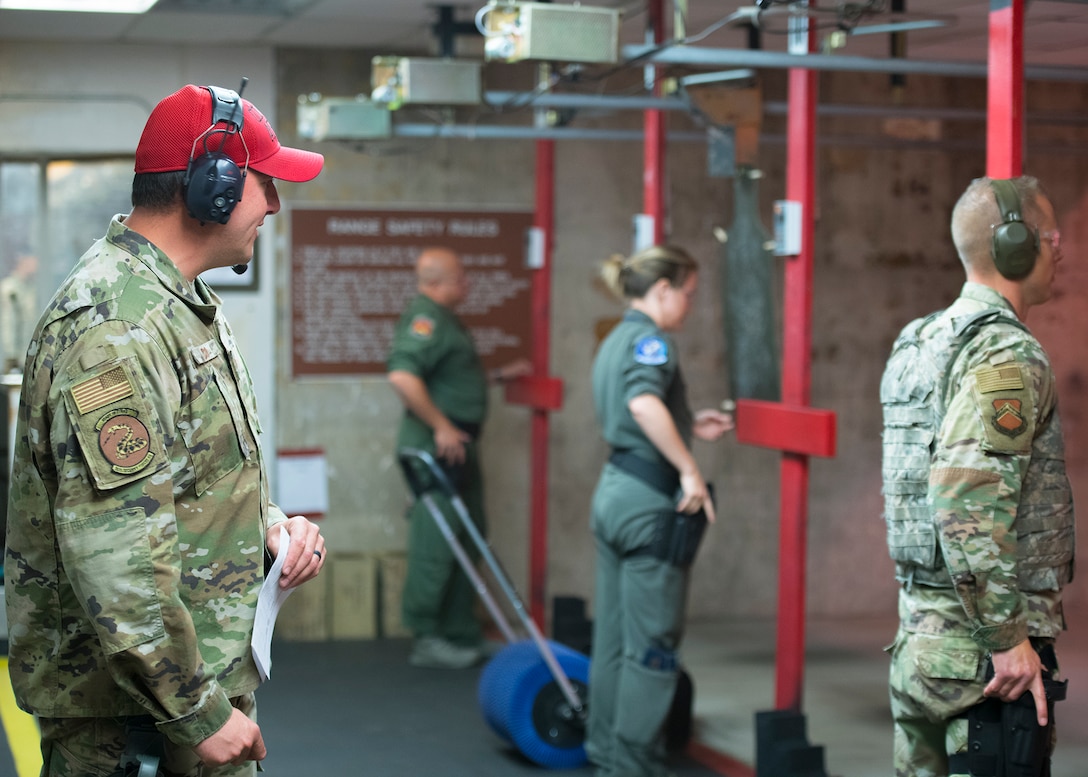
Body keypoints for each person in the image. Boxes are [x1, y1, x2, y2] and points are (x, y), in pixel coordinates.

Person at [4, 83, 328, 777]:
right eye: (261, 184)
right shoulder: (115, 326)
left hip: (183, 695)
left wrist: (265, 526)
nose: (273, 203)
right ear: (212, 187)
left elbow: (181, 481)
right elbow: (114, 551)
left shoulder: (177, 305)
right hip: (132, 721)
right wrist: (196, 712)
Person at [880, 176, 1075, 777]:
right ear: (1016, 246)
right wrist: (1005, 638)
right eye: (1048, 235)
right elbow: (963, 496)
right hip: (979, 662)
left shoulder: (919, 341)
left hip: (920, 643)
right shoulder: (1004, 354)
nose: (1059, 246)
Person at [586, 244, 733, 777]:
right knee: (653, 644)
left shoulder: (615, 339)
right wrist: (689, 469)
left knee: (614, 640)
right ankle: (634, 765)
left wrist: (690, 422)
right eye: (688, 294)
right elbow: (642, 404)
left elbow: (642, 411)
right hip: (648, 503)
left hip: (616, 490)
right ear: (663, 289)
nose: (689, 306)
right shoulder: (652, 340)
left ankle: (606, 754)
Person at [387, 246, 530, 669]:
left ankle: (460, 632)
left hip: (458, 448)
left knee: (468, 538)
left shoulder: (446, 320)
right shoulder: (425, 319)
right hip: (438, 447)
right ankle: (428, 637)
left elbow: (451, 377)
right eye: (459, 278)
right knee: (439, 540)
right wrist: (442, 425)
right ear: (434, 283)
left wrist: (502, 376)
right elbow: (402, 374)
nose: (467, 285)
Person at [0, 251, 38, 372]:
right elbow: (8, 322)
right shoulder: (10, 288)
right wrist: (11, 355)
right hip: (13, 356)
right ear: (23, 261)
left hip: (26, 352)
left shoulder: (28, 287)